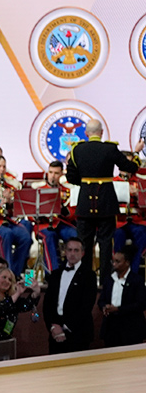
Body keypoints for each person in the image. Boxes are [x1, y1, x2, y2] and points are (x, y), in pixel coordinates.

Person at [67, 118, 143, 285]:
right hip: (106, 202)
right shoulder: (110, 148)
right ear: (101, 133)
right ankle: (106, 281)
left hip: (85, 202)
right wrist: (136, 154)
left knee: (84, 244)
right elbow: (131, 167)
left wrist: (86, 182)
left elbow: (71, 177)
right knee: (106, 243)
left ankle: (85, 280)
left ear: (86, 134)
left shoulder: (76, 150)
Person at [43, 238, 98, 354]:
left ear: (82, 253)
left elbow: (86, 306)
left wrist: (65, 327)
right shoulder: (55, 274)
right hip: (55, 333)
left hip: (78, 333)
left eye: (76, 250)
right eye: (70, 250)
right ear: (65, 252)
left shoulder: (89, 276)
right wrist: (53, 327)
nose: (72, 253)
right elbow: (47, 304)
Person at [35, 161, 78, 274]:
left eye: (56, 173)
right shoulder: (38, 190)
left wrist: (63, 210)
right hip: (43, 225)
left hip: (61, 223)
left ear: (61, 175)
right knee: (50, 237)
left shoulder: (67, 190)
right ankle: (53, 275)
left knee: (75, 237)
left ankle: (73, 271)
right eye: (50, 172)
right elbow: (30, 212)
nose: (52, 176)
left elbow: (73, 212)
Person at [99, 250, 146, 347]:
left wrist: (118, 309)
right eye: (113, 261)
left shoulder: (137, 280)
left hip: (131, 329)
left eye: (117, 261)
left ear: (127, 263)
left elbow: (141, 304)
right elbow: (101, 300)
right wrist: (104, 307)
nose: (114, 264)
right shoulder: (109, 279)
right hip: (111, 328)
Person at [0, 266, 41, 340]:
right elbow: (0, 310)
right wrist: (16, 294)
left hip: (6, 341)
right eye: (4, 277)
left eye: (10, 279)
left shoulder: (11, 298)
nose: (7, 281)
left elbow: (27, 305)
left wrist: (36, 292)